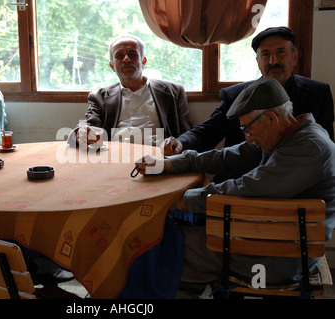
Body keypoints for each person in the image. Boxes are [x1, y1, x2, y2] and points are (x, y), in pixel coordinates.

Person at [137, 77, 335, 290]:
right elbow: (228, 156)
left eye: (248, 130)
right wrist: (172, 164)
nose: (248, 138)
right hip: (269, 237)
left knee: (165, 245)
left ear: (270, 118)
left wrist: (181, 201)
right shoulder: (287, 134)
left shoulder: (308, 148)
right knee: (179, 234)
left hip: (280, 257)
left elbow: (249, 188)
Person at [162, 27, 334, 166]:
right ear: (258, 61)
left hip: (295, 179)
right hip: (240, 173)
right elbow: (207, 133)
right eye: (265, 54)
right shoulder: (236, 95)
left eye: (281, 52)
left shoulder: (317, 92)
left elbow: (326, 143)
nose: (273, 61)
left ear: (295, 57)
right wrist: (180, 143)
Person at [68, 34, 193, 147]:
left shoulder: (173, 91)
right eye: (119, 56)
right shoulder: (99, 97)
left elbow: (188, 136)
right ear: (112, 66)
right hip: (114, 159)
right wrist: (81, 132)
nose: (126, 59)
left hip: (158, 160)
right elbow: (88, 126)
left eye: (132, 54)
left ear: (143, 61)